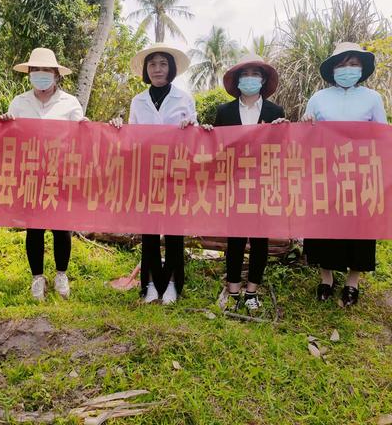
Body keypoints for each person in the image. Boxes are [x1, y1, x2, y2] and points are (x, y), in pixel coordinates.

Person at [110, 43, 198, 304]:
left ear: (170, 69)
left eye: (163, 64)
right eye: (152, 64)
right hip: (147, 173)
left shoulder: (184, 98)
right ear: (146, 71)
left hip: (175, 174)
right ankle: (149, 283)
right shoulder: (138, 101)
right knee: (149, 231)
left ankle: (171, 283)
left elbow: (194, 139)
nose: (157, 69)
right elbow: (131, 137)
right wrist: (118, 128)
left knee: (173, 231)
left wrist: (191, 126)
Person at [301, 42, 387, 307]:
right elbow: (306, 134)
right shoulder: (319, 98)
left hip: (361, 174)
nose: (347, 70)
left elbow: (382, 135)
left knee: (359, 227)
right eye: (341, 65)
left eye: (353, 64)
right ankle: (326, 277)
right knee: (324, 224)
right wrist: (306, 126)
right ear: (332, 70)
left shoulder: (372, 98)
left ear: (361, 69)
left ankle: (352, 281)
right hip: (326, 173)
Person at [0, 47, 85, 301]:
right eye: (36, 71)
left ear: (56, 75)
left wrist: (86, 127)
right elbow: (9, 138)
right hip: (30, 174)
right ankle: (37, 277)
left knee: (62, 227)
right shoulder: (19, 102)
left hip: (61, 173)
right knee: (34, 228)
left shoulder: (70, 103)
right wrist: (4, 125)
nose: (41, 75)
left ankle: (61, 274)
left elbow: (83, 135)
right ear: (29, 74)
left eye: (46, 71)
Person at [214, 53, 285, 312]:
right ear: (238, 80)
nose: (250, 79)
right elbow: (216, 148)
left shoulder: (275, 111)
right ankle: (233, 290)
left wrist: (281, 130)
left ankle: (252, 291)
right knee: (235, 238)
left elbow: (281, 150)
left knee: (259, 240)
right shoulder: (225, 111)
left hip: (262, 183)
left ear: (263, 79)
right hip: (234, 184)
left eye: (255, 74)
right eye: (245, 74)